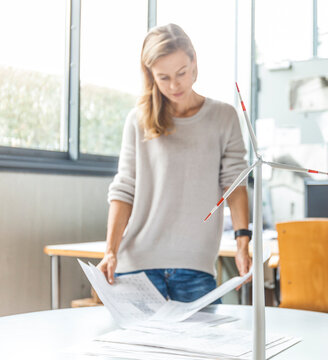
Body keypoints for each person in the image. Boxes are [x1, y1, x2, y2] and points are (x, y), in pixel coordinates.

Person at [97, 23, 252, 302]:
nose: (174, 85)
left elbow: (235, 182)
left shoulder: (223, 117)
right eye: (163, 77)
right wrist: (110, 250)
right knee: (136, 348)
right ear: (151, 76)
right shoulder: (138, 120)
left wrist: (243, 242)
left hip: (195, 267)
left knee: (202, 347)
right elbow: (124, 188)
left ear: (194, 62)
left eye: (181, 73)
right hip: (136, 266)